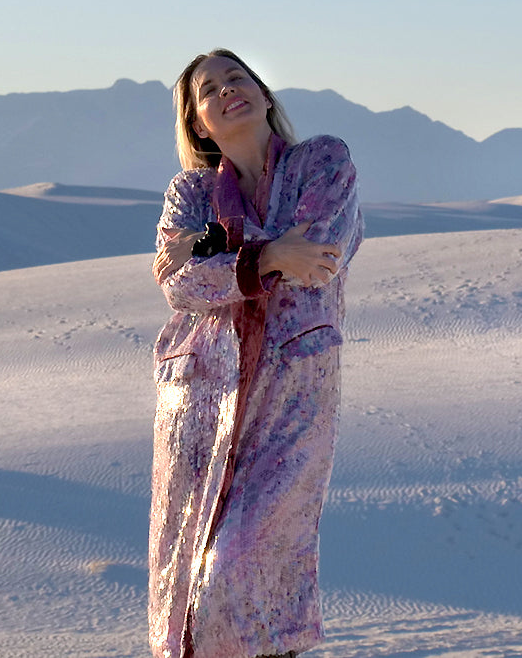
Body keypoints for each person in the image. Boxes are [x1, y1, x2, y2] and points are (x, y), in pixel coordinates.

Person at [149, 48, 363, 658]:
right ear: (198, 124)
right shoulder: (189, 191)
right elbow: (180, 285)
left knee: (245, 558)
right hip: (201, 398)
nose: (227, 91)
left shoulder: (323, 161)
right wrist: (267, 257)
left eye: (237, 77)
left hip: (294, 388)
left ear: (264, 94)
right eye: (208, 90)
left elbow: (318, 256)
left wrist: (214, 246)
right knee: (191, 576)